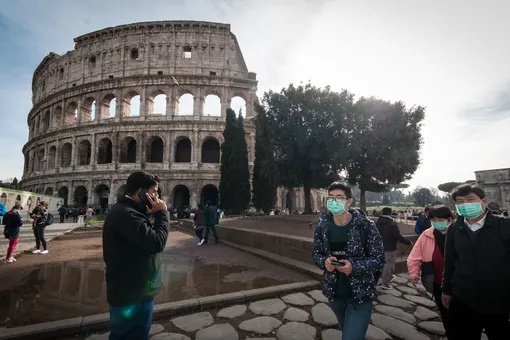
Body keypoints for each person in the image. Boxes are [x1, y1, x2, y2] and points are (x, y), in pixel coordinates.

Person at [312, 182, 384, 340]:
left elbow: (379, 259)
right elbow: (316, 253)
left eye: (339, 197)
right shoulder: (322, 225)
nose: (334, 201)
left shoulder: (365, 225)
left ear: (349, 201)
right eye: (331, 198)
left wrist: (354, 267)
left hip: (360, 295)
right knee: (349, 332)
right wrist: (324, 261)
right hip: (335, 294)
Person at [102, 172, 169, 340]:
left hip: (133, 290)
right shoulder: (127, 214)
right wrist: (162, 213)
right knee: (129, 335)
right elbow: (156, 243)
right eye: (154, 191)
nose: (157, 196)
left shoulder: (128, 211)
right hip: (131, 294)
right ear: (141, 192)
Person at [442, 184, 510, 340]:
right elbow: (450, 261)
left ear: (483, 201)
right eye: (460, 202)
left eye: (470, 199)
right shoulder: (454, 229)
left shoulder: (504, 226)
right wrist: (446, 290)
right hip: (463, 298)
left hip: (498, 300)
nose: (465, 204)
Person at [407, 205, 453, 338]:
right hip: (437, 281)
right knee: (445, 312)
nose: (436, 222)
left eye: (440, 219)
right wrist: (414, 273)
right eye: (433, 220)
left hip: (459, 282)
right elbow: (415, 256)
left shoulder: (458, 232)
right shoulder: (426, 234)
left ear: (449, 219)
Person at [376, 207, 412, 290]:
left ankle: (388, 276)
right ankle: (385, 283)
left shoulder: (377, 222)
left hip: (379, 246)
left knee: (382, 263)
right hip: (390, 247)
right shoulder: (392, 223)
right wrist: (407, 242)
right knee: (388, 264)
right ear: (390, 213)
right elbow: (397, 236)